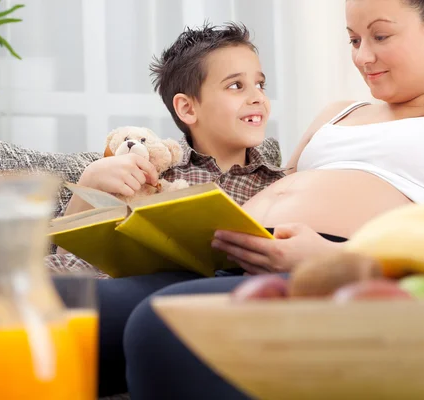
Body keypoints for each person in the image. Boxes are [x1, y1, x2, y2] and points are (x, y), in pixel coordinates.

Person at [102, 0, 424, 398]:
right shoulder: (337, 113)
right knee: (75, 307)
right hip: (223, 258)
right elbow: (284, 186)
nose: (362, 56)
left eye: (380, 36)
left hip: (333, 276)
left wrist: (330, 260)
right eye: (353, 39)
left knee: (161, 326)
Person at [59, 22, 285, 396]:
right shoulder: (149, 174)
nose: (257, 97)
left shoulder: (283, 185)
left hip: (214, 315)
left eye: (259, 84)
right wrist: (87, 187)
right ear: (187, 107)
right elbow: (71, 269)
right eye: (236, 86)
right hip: (118, 304)